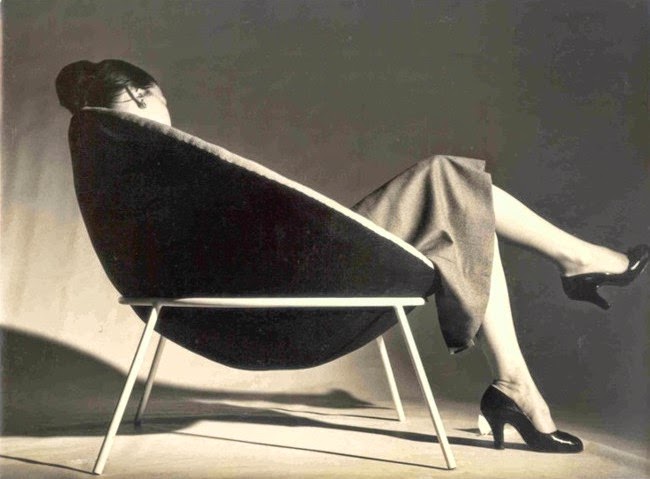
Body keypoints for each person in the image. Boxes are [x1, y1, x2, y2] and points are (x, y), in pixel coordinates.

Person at [56, 59, 648, 454]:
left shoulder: (123, 167)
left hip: (267, 292)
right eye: (158, 110)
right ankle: (575, 271)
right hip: (282, 296)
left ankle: (520, 381)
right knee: (449, 181)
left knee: (461, 205)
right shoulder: (155, 161)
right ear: (140, 101)